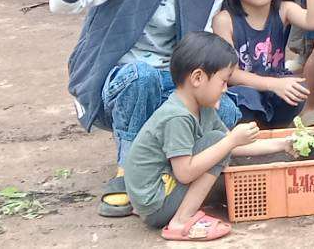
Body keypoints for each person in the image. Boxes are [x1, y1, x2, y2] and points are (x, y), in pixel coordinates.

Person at [52, 0, 236, 218]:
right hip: (118, 82)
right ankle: (129, 174)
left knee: (228, 111)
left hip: (171, 82)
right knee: (142, 77)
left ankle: (174, 171)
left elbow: (203, 47)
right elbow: (63, 4)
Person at [122, 33, 286, 241]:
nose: (225, 89)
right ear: (198, 78)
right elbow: (185, 173)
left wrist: (283, 144)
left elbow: (232, 146)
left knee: (220, 146)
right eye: (223, 82)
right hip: (156, 203)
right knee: (219, 144)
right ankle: (181, 220)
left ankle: (184, 212)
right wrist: (230, 140)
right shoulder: (177, 117)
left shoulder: (202, 107)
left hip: (162, 193)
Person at [211, 0, 314, 129]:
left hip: (274, 87)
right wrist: (272, 84)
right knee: (243, 97)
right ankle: (248, 139)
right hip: (242, 92)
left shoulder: (283, 10)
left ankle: (274, 131)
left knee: (298, 89)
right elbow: (229, 74)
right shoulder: (224, 20)